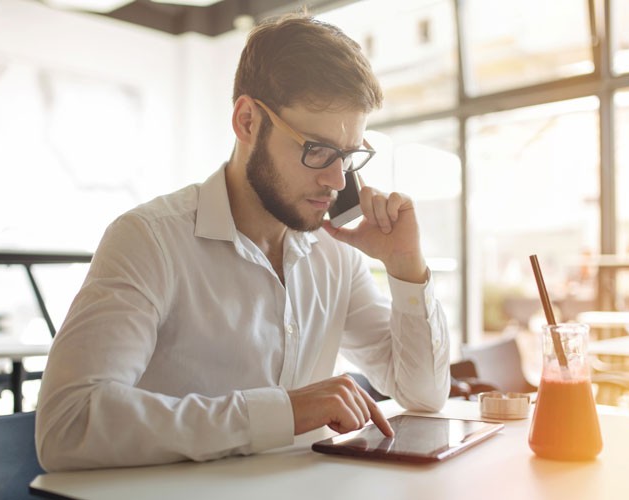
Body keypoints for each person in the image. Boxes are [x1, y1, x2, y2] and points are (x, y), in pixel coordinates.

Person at [35, 14, 450, 471]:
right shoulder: (149, 240)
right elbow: (68, 426)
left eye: (349, 156)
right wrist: (282, 412)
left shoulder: (336, 251)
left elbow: (423, 394)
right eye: (317, 150)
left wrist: (406, 268)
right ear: (248, 121)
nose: (336, 181)